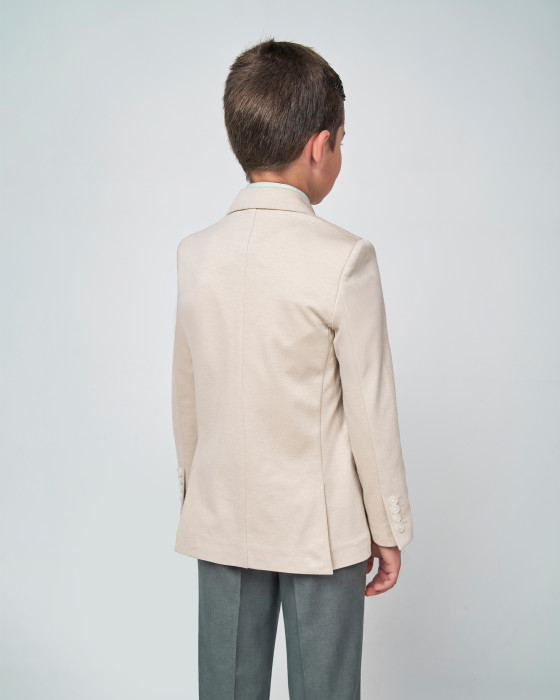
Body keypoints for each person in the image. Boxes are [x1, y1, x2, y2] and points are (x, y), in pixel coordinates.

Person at [171, 37, 414, 700]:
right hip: (322, 531)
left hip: (223, 516)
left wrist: (200, 497)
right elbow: (370, 409)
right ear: (319, 146)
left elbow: (187, 397)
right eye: (342, 142)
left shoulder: (195, 255)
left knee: (225, 689)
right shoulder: (345, 257)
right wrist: (388, 526)